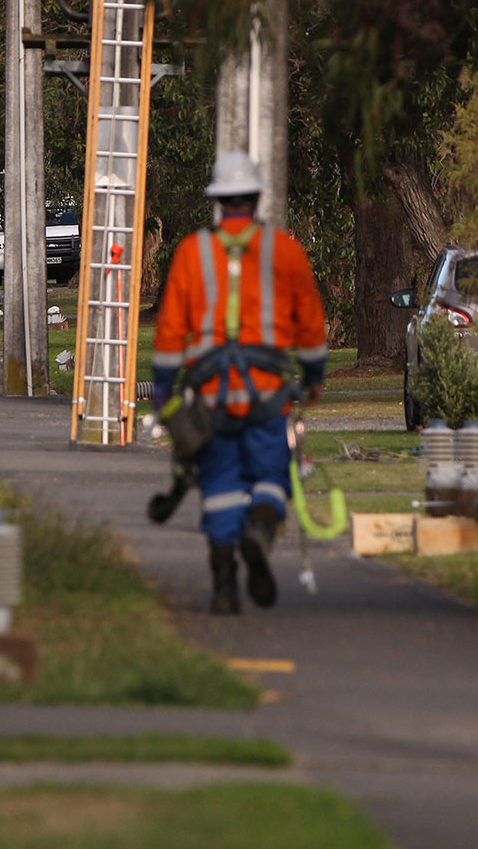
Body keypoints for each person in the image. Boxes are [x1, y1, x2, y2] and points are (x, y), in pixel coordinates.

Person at [152, 152, 327, 615]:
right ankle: (260, 533)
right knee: (271, 475)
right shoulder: (284, 249)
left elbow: (170, 329)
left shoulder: (192, 251)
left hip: (210, 396)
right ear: (254, 198)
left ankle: (225, 586)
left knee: (221, 485)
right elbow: (309, 322)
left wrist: (164, 389)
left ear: (218, 201)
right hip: (269, 391)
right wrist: (313, 377)